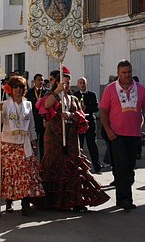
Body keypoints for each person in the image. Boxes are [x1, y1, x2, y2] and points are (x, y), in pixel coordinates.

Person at [37, 68, 109, 211]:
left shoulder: (74, 99)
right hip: (54, 137)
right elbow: (45, 106)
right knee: (54, 164)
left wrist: (70, 115)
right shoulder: (51, 96)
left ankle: (75, 200)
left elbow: (81, 116)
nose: (66, 85)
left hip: (70, 137)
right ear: (57, 83)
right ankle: (53, 201)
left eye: (68, 83)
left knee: (73, 166)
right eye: (63, 83)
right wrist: (56, 91)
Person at [0, 75, 45, 216]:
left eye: (21, 87)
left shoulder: (28, 104)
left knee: (25, 174)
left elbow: (32, 125)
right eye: (15, 86)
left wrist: (34, 142)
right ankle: (9, 202)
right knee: (9, 175)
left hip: (24, 143)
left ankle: (25, 203)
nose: (18, 89)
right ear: (10, 89)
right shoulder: (4, 104)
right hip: (8, 143)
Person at [100, 60, 145, 210]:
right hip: (116, 134)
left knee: (130, 168)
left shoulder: (141, 89)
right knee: (121, 166)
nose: (127, 75)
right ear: (118, 73)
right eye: (124, 73)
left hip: (134, 134)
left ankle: (123, 197)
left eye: (129, 72)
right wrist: (108, 130)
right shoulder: (110, 89)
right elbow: (104, 111)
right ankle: (125, 199)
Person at [74, 77, 102, 173]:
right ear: (78, 85)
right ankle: (79, 166)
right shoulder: (75, 95)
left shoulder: (92, 95)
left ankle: (97, 166)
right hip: (79, 123)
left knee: (92, 145)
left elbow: (96, 108)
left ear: (87, 84)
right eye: (80, 83)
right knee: (79, 145)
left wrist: (87, 108)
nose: (82, 84)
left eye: (84, 83)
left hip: (90, 122)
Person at [25, 73, 46, 160]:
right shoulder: (29, 92)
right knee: (33, 142)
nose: (41, 82)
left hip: (43, 120)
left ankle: (43, 161)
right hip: (32, 119)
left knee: (43, 143)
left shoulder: (46, 92)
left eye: (42, 80)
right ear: (34, 81)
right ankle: (33, 161)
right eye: (39, 80)